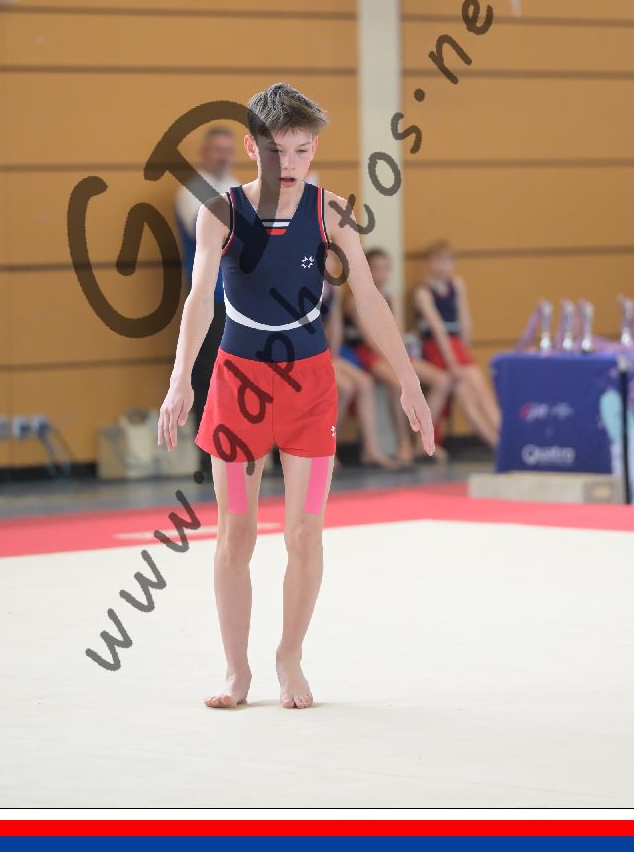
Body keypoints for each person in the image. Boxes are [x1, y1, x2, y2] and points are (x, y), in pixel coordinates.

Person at [157, 82, 434, 710]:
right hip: (237, 389)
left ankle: (289, 656)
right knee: (236, 531)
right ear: (252, 149)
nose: (291, 164)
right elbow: (200, 299)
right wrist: (180, 381)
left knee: (306, 531)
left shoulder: (330, 213)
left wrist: (410, 381)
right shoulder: (220, 212)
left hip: (308, 389)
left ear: (315, 149)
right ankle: (237, 670)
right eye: (277, 151)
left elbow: (369, 298)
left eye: (303, 151)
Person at [339, 249, 452, 464]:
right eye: (376, 269)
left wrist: (402, 360)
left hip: (391, 352)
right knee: (398, 384)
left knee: (442, 380)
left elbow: (396, 332)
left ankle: (422, 441)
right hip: (368, 352)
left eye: (386, 269)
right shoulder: (354, 300)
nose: (382, 274)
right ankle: (403, 442)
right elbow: (370, 339)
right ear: (366, 270)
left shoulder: (391, 297)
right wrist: (398, 367)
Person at [173, 127, 241, 483]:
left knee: (239, 375)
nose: (223, 155)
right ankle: (207, 453)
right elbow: (218, 236)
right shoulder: (192, 190)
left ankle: (239, 447)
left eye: (228, 149)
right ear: (204, 153)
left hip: (237, 296)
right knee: (207, 374)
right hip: (208, 296)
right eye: (217, 149)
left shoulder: (236, 187)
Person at [413, 241, 500, 450]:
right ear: (428, 264)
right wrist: (452, 361)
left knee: (478, 392)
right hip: (437, 348)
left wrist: (463, 349)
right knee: (468, 392)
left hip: (456, 346)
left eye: (448, 261)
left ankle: (503, 439)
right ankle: (498, 444)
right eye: (438, 261)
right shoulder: (423, 292)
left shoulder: (456, 287)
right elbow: (438, 330)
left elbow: (465, 325)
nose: (444, 266)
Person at [321, 261, 400, 470]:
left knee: (364, 382)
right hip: (307, 353)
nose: (329, 263)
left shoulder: (333, 289)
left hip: (328, 353)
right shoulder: (305, 285)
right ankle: (324, 449)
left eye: (331, 258)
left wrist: (333, 354)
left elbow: (334, 325)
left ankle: (370, 449)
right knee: (345, 387)